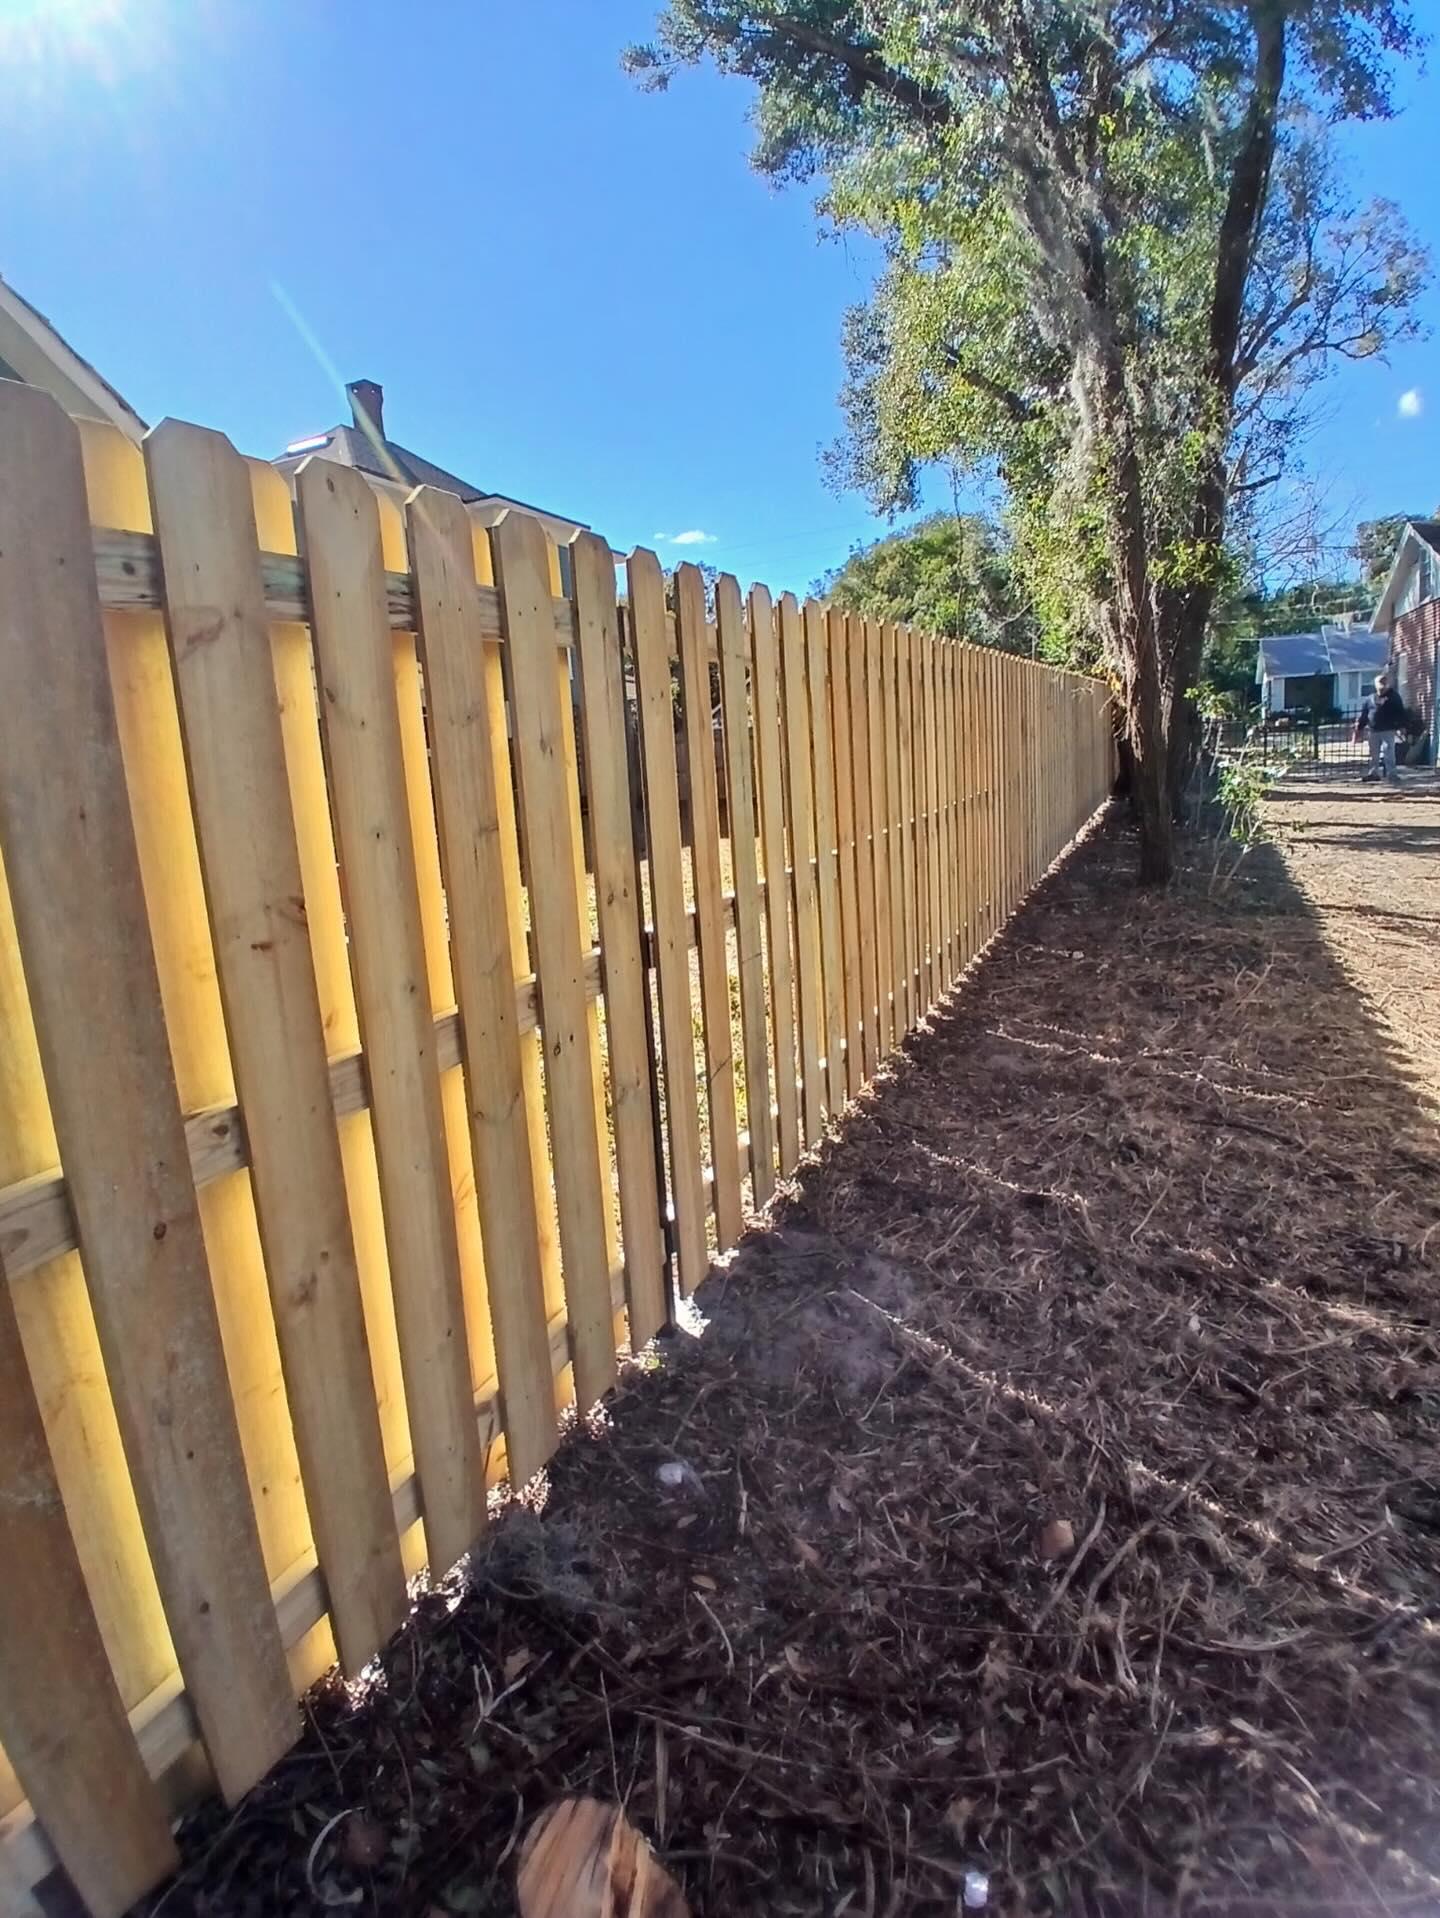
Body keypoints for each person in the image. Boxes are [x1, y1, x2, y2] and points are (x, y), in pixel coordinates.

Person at [1360, 672, 1405, 782]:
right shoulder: (1370, 699)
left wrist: (1401, 726)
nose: (1382, 687)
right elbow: (1364, 714)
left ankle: (1392, 774)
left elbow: (1400, 712)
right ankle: (1373, 773)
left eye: (1384, 684)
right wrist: (1360, 727)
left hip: (1388, 729)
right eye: (1379, 684)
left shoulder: (1393, 697)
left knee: (1389, 753)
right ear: (1375, 685)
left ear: (1387, 684)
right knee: (1373, 754)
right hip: (1373, 730)